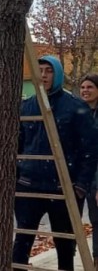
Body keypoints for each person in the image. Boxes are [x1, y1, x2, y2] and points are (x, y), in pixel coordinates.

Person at [13, 56, 98, 271]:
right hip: (29, 186)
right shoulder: (27, 106)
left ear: (58, 74)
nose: (43, 75)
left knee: (65, 245)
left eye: (48, 71)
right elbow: (18, 144)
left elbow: (90, 149)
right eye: (39, 70)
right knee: (22, 240)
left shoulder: (76, 107)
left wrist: (80, 186)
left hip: (63, 189)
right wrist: (15, 180)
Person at [80, 73, 98, 269]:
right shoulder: (78, 112)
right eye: (83, 87)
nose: (85, 90)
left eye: (90, 87)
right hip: (80, 177)